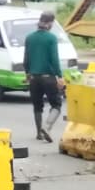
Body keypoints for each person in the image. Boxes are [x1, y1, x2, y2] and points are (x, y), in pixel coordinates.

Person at [24, 11, 64, 142]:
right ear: (50, 23)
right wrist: (60, 76)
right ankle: (47, 127)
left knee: (37, 106)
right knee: (56, 104)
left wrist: (28, 73)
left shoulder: (29, 38)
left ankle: (38, 133)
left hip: (34, 78)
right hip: (48, 77)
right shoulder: (51, 38)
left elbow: (26, 60)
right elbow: (54, 59)